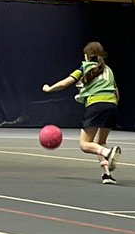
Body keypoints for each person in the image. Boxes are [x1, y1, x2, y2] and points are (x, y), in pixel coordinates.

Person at [42, 41, 121, 184]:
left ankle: (108, 153)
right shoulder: (108, 69)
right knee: (101, 143)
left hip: (96, 106)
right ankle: (106, 175)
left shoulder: (84, 67)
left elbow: (64, 83)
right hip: (112, 106)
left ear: (86, 55)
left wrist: (49, 88)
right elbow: (116, 92)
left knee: (85, 145)